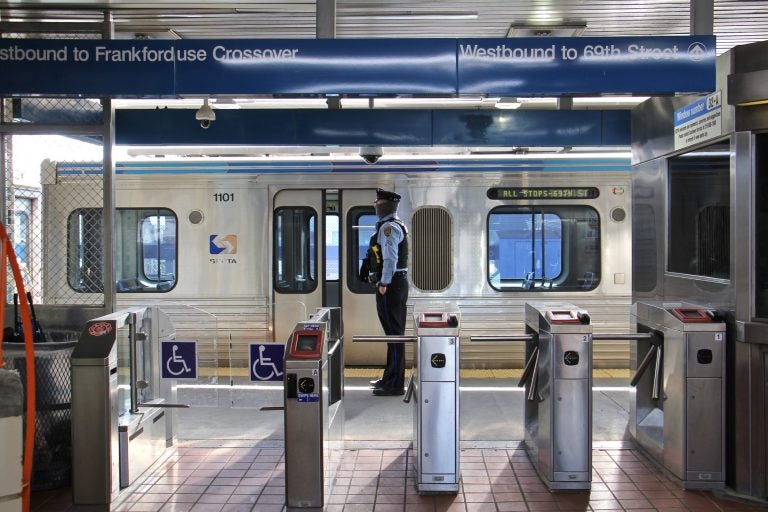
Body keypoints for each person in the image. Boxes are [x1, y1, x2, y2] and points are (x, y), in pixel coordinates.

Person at [365, 188, 409, 396]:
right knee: (392, 335)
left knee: (395, 335)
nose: (375, 205)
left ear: (385, 205)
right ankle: (389, 377)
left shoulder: (389, 228)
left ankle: (395, 384)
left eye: (378, 202)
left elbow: (390, 258)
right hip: (395, 284)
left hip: (391, 286)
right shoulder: (390, 225)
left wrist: (383, 282)